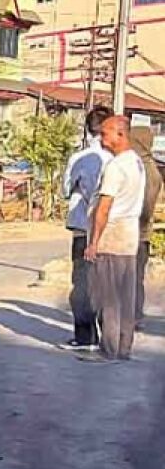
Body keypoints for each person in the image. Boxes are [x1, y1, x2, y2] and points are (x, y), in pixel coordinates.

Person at [82, 116, 146, 363]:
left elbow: (104, 207)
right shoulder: (136, 162)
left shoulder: (116, 166)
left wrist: (94, 242)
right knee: (125, 297)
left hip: (112, 235)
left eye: (106, 133)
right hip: (129, 236)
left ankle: (109, 349)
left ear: (121, 134)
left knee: (109, 298)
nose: (101, 138)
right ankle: (124, 347)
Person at [56, 106, 112, 352]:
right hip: (111, 230)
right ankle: (109, 336)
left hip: (84, 227)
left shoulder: (81, 158)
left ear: (88, 130)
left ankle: (85, 337)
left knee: (82, 284)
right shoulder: (119, 159)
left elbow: (65, 190)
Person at [130, 126, 163, 328]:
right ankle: (133, 315)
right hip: (140, 233)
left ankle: (131, 316)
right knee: (135, 277)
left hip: (136, 233)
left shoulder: (145, 169)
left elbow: (146, 206)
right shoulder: (144, 166)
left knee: (130, 277)